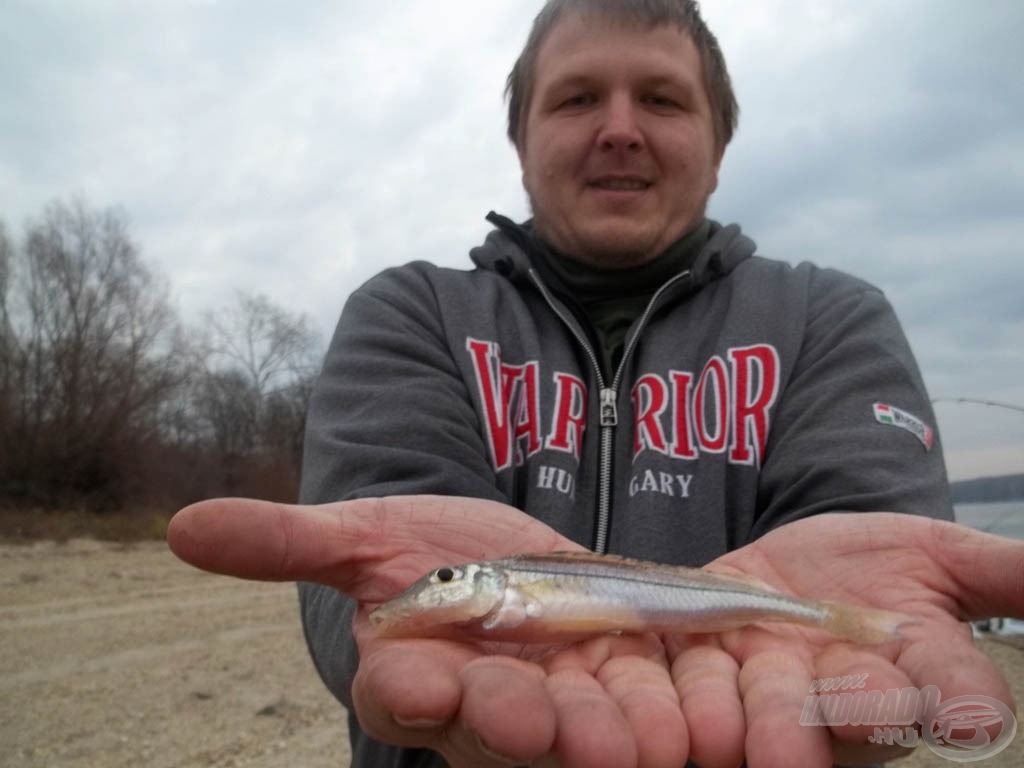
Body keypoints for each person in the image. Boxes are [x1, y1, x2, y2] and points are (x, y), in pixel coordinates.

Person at [168, 1, 1022, 766]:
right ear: (522, 139)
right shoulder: (411, 311)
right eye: (576, 98)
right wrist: (433, 630)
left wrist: (823, 627)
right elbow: (361, 578)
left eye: (661, 98)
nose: (619, 128)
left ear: (719, 145)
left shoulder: (829, 318)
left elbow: (865, 522)